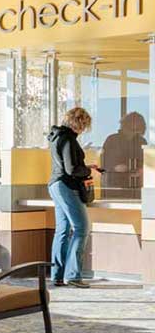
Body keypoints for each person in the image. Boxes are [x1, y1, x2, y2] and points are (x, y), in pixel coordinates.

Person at [47, 107, 99, 289]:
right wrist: (89, 170)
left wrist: (85, 166)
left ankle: (57, 276)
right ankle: (74, 276)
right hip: (65, 186)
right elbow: (71, 170)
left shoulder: (57, 136)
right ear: (78, 122)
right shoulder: (68, 138)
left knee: (62, 230)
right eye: (83, 125)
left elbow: (67, 165)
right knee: (81, 227)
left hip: (55, 185)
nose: (84, 129)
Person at [101, 111, 147, 196]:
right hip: (115, 186)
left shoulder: (141, 141)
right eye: (132, 129)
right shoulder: (112, 140)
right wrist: (114, 167)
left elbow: (145, 161)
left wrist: (141, 169)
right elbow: (103, 163)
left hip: (136, 186)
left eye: (137, 130)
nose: (134, 132)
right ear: (125, 125)